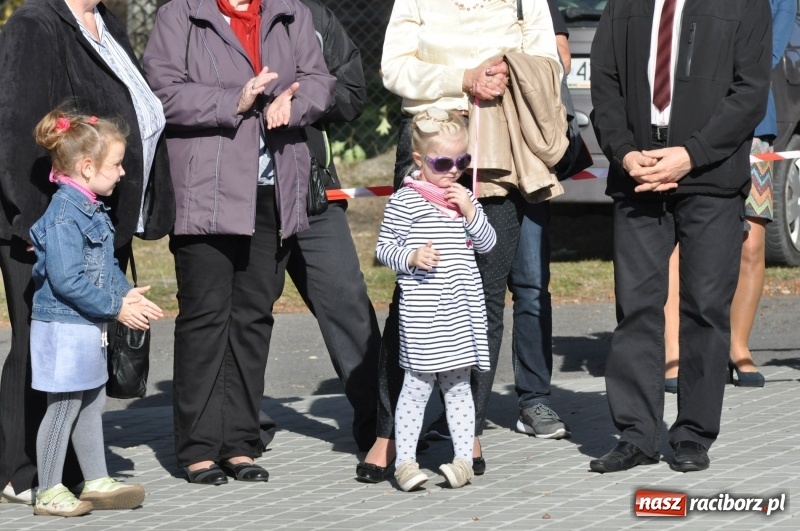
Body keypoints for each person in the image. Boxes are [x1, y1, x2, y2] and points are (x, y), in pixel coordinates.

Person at [357, 0, 568, 484]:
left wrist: (504, 73)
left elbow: (549, 63)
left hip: (501, 143)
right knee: (412, 286)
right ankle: (389, 433)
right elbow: (395, 67)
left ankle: (467, 430)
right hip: (431, 145)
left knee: (487, 295)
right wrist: (464, 77)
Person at [143, 0, 335, 485]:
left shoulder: (291, 13)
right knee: (206, 319)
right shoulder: (180, 15)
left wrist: (297, 101)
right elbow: (160, 94)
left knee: (253, 319)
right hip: (206, 193)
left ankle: (240, 442)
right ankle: (199, 448)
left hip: (274, 191)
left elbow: (319, 80)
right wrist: (235, 99)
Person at [0, 0, 174, 505]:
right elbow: (13, 129)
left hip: (97, 219)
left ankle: (79, 472)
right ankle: (22, 471)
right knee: (39, 349)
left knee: (84, 368)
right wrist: (35, 224)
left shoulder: (107, 23)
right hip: (44, 225)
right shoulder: (35, 24)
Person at [589, 0, 771, 473]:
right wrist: (626, 154)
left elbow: (749, 93)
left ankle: (693, 434)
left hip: (710, 175)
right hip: (638, 174)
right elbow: (604, 84)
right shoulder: (623, 4)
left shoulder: (744, 5)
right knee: (636, 308)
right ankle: (636, 435)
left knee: (706, 308)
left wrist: (690, 155)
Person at [28, 109, 163, 517]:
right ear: (87, 168)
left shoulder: (90, 209)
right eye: (116, 165)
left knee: (91, 403)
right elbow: (67, 280)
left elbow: (102, 268)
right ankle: (49, 490)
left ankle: (97, 479)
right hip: (63, 326)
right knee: (65, 406)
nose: (122, 173)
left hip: (86, 325)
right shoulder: (65, 216)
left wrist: (126, 294)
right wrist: (116, 307)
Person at [664, 0, 798, 392]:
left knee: (751, 243)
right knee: (676, 244)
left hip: (752, 124)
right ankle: (674, 350)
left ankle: (737, 346)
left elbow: (765, 53)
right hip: (684, 120)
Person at [266, 0, 379, 453]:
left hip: (312, 189)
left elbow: (351, 90)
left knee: (347, 302)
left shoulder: (311, 15)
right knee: (244, 313)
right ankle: (237, 431)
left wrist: (303, 97)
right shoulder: (204, 14)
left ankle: (384, 425)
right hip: (240, 195)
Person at [375, 108, 497, 491]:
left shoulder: (464, 200)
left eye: (462, 161)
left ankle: (462, 459)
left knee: (460, 388)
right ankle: (406, 463)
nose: (453, 170)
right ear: (419, 160)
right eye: (443, 162)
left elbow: (488, 244)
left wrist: (470, 211)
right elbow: (383, 249)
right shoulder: (406, 202)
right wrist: (410, 257)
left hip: (461, 313)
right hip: (425, 315)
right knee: (416, 387)